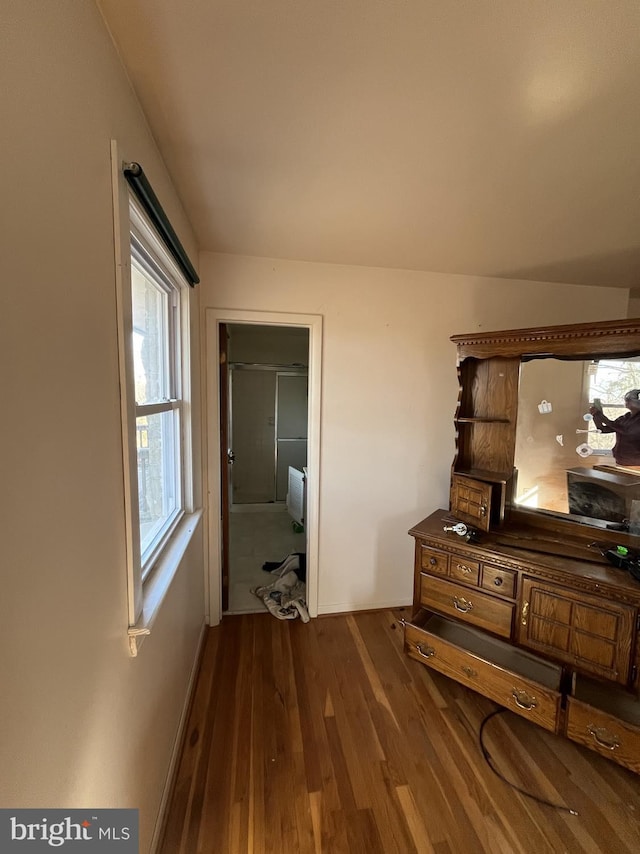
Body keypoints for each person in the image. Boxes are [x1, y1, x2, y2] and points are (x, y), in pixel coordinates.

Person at [590, 389, 640, 466]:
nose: (626, 402)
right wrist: (595, 415)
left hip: (636, 462)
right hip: (620, 460)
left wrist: (604, 418)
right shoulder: (625, 417)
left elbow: (627, 431)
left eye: (629, 400)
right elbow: (603, 429)